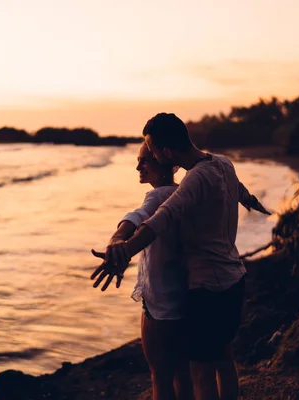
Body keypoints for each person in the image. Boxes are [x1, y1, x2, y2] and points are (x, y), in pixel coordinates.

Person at [91, 113, 271, 400]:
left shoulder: (194, 180)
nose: (145, 156)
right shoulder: (223, 163)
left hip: (208, 289)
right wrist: (258, 206)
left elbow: (160, 218)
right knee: (223, 359)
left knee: (200, 371)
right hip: (235, 278)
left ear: (166, 153)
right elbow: (241, 191)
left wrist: (124, 249)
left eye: (149, 150)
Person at [91, 143, 193, 400]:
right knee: (183, 374)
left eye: (145, 161)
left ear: (166, 162)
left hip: (160, 303)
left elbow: (136, 216)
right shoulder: (185, 194)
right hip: (185, 298)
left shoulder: (158, 196)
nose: (138, 166)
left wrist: (117, 239)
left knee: (160, 376)